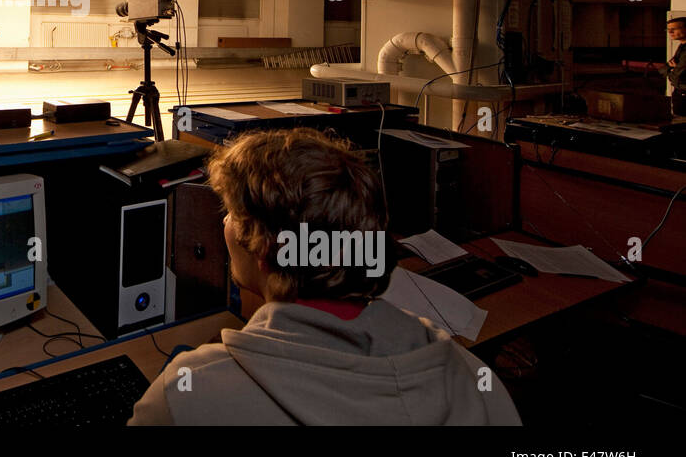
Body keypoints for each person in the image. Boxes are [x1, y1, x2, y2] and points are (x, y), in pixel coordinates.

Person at [129, 127, 521, 425]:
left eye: (231, 211)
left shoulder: (185, 396)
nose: (226, 222)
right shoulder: (474, 379)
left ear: (264, 249)